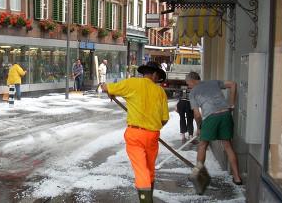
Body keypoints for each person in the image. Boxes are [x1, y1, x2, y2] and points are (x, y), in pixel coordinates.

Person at [101, 61, 169, 203]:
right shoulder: (160, 92)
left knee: (141, 169)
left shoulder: (133, 84)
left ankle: (146, 201)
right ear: (155, 74)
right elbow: (164, 119)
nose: (158, 80)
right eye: (158, 77)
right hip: (153, 135)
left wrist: (105, 88)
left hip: (135, 135)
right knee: (149, 168)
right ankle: (148, 197)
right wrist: (152, 125)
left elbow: (107, 87)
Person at [185, 71, 242, 185]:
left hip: (211, 117)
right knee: (227, 145)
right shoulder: (213, 82)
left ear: (192, 80)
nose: (188, 86)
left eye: (188, 83)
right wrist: (231, 104)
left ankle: (198, 175)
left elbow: (197, 115)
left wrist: (200, 127)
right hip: (226, 115)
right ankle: (237, 178)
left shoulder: (193, 93)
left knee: (202, 145)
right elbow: (233, 84)